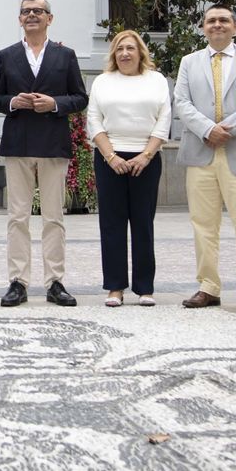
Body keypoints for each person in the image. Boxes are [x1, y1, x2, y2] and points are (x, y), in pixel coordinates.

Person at [175, 3, 236, 312]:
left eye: (223, 20)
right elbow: (182, 102)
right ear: (204, 27)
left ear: (235, 26)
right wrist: (207, 130)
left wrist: (225, 130)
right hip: (201, 152)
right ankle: (208, 286)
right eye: (211, 20)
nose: (217, 25)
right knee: (203, 224)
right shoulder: (189, 63)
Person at [0, 0, 88, 307]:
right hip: (18, 143)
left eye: (38, 11)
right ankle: (18, 281)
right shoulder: (7, 55)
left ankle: (55, 282)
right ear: (19, 19)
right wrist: (11, 102)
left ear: (50, 18)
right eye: (26, 11)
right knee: (17, 217)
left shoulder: (65, 55)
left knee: (53, 217)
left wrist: (56, 104)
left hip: (52, 143)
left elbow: (80, 97)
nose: (32, 15)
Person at [86, 29, 170, 307]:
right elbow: (94, 120)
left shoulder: (156, 80)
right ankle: (115, 288)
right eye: (120, 49)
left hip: (145, 158)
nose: (125, 53)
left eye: (130, 48)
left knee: (143, 224)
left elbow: (164, 119)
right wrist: (111, 156)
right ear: (113, 54)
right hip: (110, 158)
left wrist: (146, 156)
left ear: (140, 52)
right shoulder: (103, 81)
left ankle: (145, 287)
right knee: (112, 224)